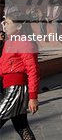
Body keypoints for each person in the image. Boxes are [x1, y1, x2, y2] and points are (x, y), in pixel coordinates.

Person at [0, 11, 39, 140]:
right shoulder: (9, 41)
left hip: (16, 88)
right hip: (8, 86)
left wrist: (33, 97)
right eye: (4, 22)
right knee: (22, 126)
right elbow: (3, 66)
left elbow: (32, 70)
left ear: (19, 26)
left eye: (7, 23)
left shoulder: (25, 43)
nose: (4, 25)